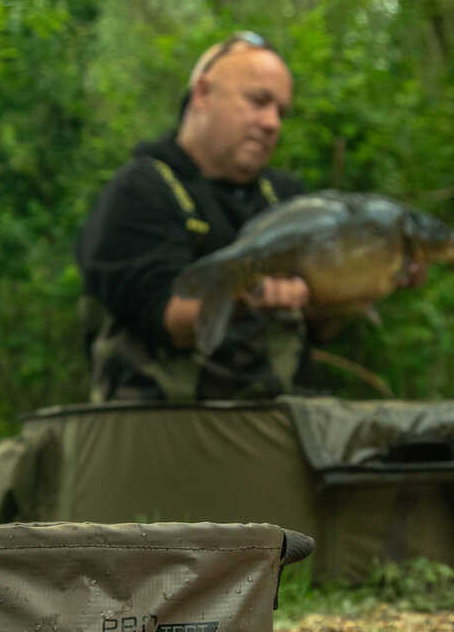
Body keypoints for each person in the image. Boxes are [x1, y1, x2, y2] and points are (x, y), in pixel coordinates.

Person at [76, 31, 317, 402]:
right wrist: (247, 294)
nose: (272, 123)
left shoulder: (288, 200)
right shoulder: (141, 191)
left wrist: (367, 280)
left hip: (277, 423)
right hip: (166, 427)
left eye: (281, 112)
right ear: (202, 94)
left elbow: (325, 323)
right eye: (258, 101)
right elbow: (163, 316)